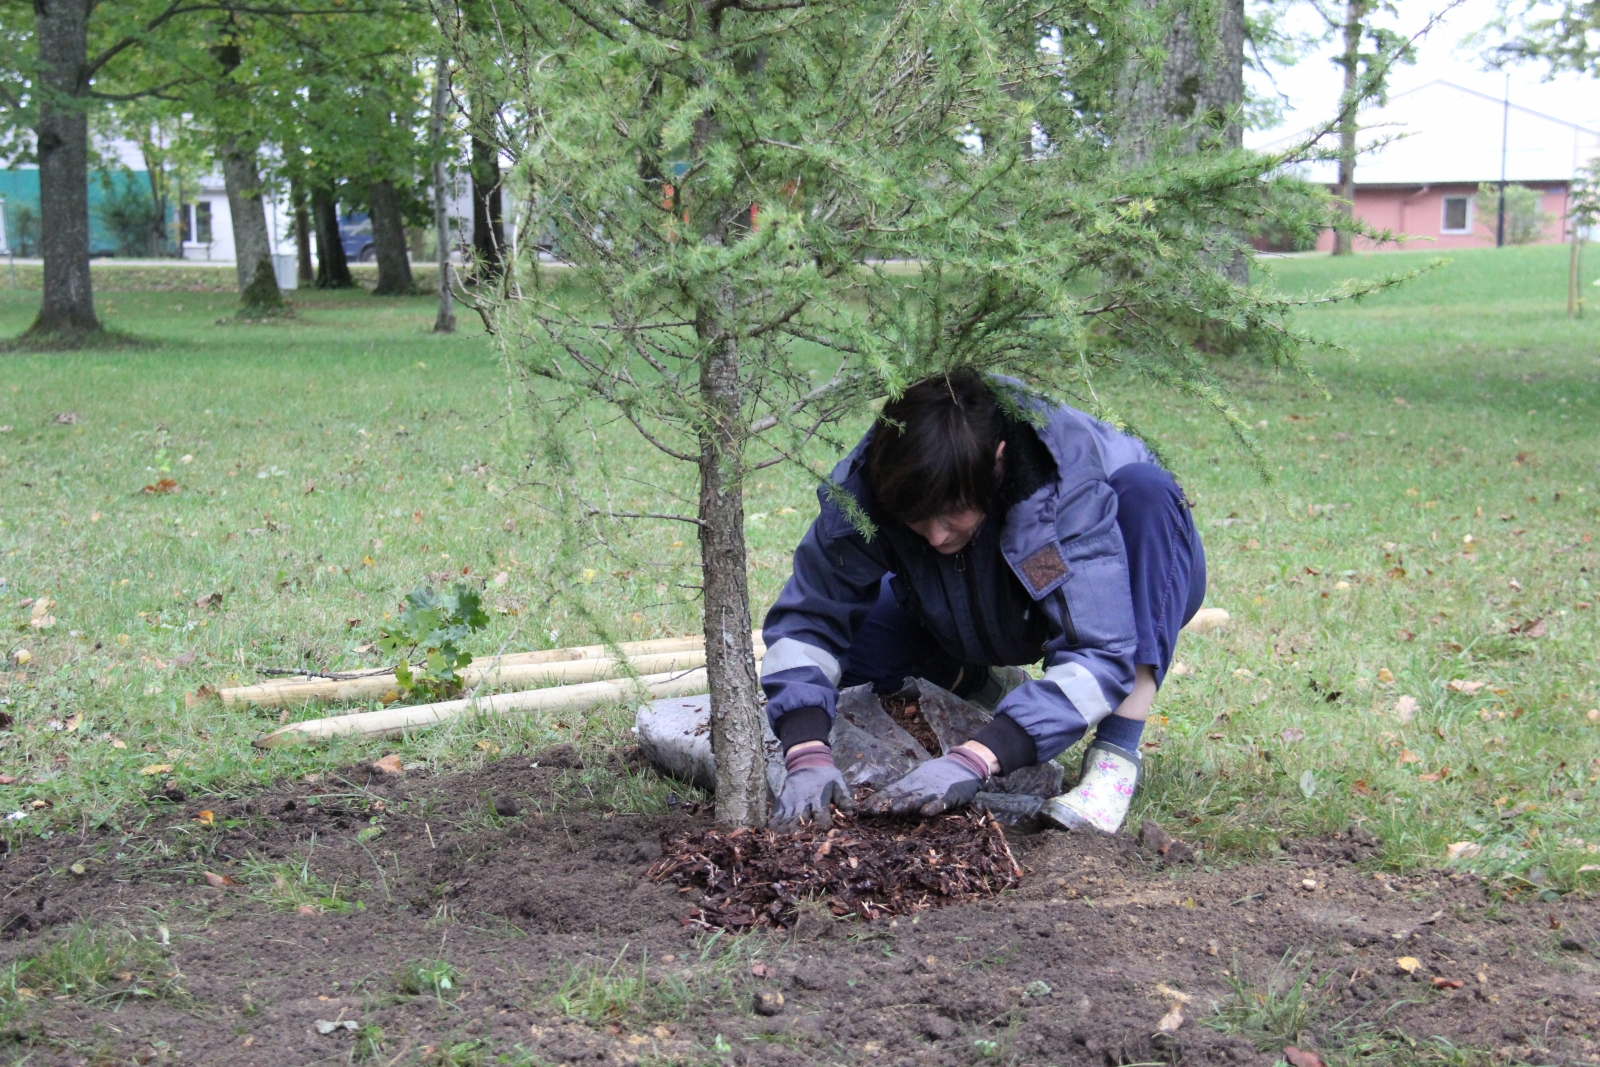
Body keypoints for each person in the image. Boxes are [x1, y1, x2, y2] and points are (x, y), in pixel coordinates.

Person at [761, 369, 1206, 834]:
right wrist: (805, 752)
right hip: (960, 609)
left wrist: (977, 757)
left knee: (1147, 493)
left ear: (997, 462)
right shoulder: (873, 479)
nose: (935, 536)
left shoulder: (1062, 482)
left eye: (953, 511)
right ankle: (985, 682)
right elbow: (810, 620)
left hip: (1123, 586)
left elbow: (1100, 650)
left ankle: (1114, 760)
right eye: (916, 517)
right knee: (857, 661)